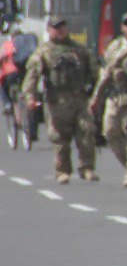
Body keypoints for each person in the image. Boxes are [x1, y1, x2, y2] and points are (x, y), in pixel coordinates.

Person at [22, 16, 98, 183]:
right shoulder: (43, 52)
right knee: (59, 138)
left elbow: (94, 72)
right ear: (49, 30)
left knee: (87, 131)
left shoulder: (79, 49)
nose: (60, 30)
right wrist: (30, 97)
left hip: (79, 98)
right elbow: (32, 77)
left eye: (62, 26)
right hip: (57, 101)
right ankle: (62, 171)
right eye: (56, 27)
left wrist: (96, 93)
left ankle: (87, 168)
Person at [89, 12, 127, 197]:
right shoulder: (115, 46)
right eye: (126, 25)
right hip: (115, 96)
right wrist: (96, 97)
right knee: (110, 132)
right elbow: (106, 72)